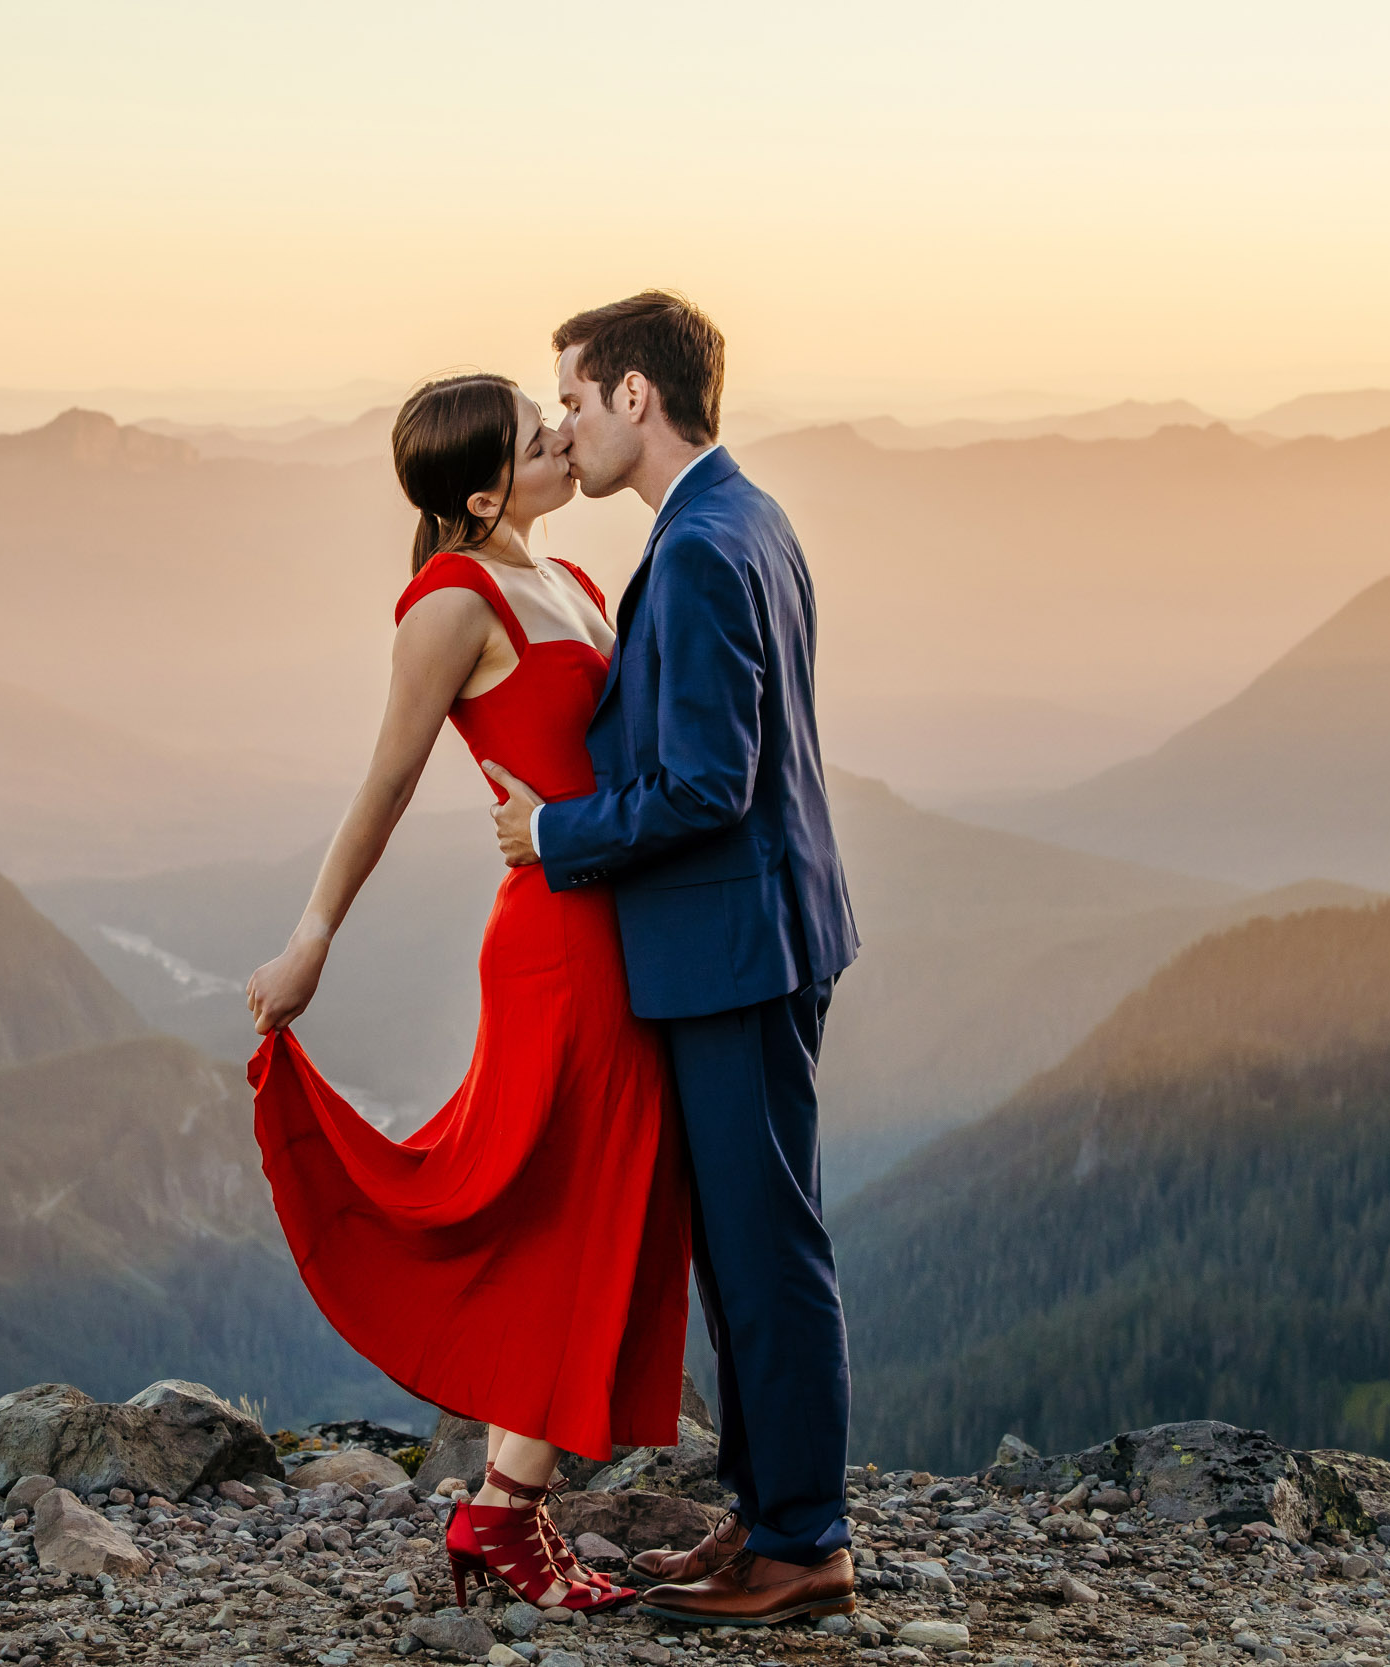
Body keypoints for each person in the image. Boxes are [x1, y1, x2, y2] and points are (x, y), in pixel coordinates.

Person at [245, 371, 687, 1615]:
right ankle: (504, 1515)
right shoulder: (452, 602)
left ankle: (504, 1503)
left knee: (594, 1197)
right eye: (536, 437)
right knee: (571, 1203)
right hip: (557, 946)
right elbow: (381, 786)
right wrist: (310, 940)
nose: (562, 440)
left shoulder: (576, 583)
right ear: (486, 492)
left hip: (612, 924)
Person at [483, 291, 861, 1627]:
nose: (566, 427)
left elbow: (710, 779)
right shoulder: (742, 514)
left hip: (734, 946)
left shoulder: (700, 546)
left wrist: (554, 831)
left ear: (636, 396)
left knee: (766, 1249)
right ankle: (767, 1515)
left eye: (575, 399)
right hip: (764, 926)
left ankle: (804, 1536)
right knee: (749, 1241)